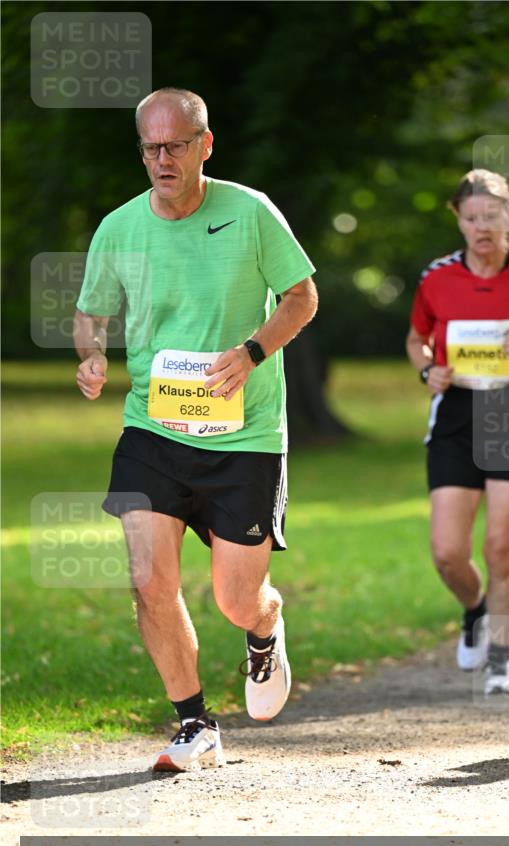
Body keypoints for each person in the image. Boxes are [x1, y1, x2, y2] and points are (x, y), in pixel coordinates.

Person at [74, 88, 318, 770]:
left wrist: (251, 353)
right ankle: (194, 723)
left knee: (236, 599)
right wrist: (90, 353)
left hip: (244, 434)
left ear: (204, 145)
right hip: (154, 429)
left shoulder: (249, 211)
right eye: (150, 148)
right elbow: (91, 313)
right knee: (149, 579)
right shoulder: (119, 227)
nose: (161, 160)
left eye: (174, 146)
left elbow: (303, 296)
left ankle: (264, 630)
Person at [406, 169, 509, 695]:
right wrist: (427, 370)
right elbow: (417, 339)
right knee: (447, 553)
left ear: (508, 217)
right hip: (455, 413)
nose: (482, 227)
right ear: (459, 219)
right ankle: (475, 610)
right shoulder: (436, 277)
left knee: (502, 548)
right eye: (472, 217)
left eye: (492, 216)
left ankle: (502, 659)